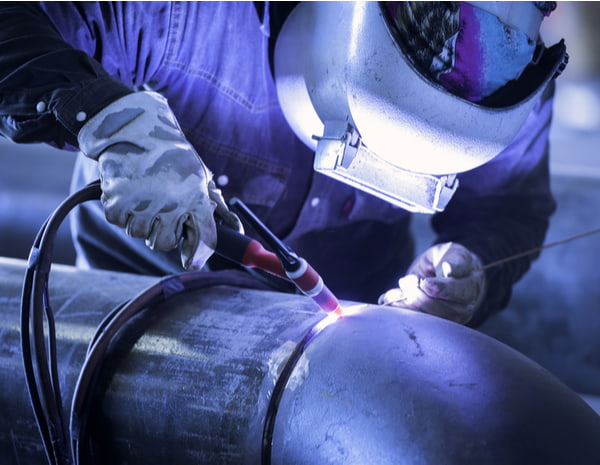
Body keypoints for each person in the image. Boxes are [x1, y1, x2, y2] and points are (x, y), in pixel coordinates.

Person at [0, 1, 565, 326]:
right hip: (134, 320)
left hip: (340, 349)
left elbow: (507, 204)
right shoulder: (188, 14)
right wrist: (100, 113)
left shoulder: (510, 80)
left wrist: (475, 269)